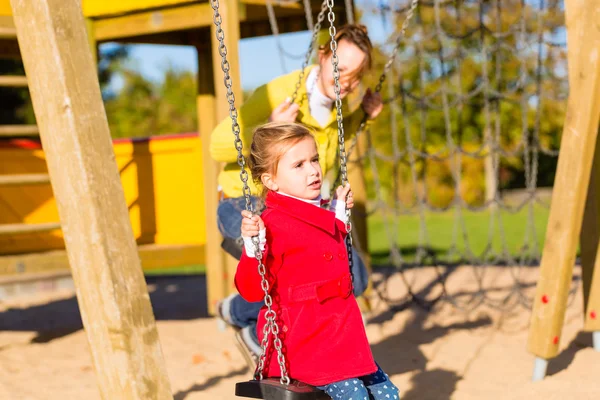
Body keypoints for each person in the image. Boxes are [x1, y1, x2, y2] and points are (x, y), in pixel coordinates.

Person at [210, 24, 383, 365]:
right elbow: (217, 145)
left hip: (290, 211)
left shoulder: (336, 114)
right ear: (323, 56)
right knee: (291, 267)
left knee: (354, 277)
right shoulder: (280, 93)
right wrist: (266, 129)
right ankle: (253, 330)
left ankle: (237, 309)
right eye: (339, 68)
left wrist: (364, 115)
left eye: (354, 74)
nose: (344, 81)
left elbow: (333, 151)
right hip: (240, 203)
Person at [236, 122, 398, 400]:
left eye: (314, 159)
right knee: (354, 396)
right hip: (307, 340)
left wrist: (338, 214)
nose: (313, 170)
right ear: (271, 181)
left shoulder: (317, 210)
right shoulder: (270, 225)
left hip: (341, 335)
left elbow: (322, 248)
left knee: (386, 393)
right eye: (298, 165)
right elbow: (252, 289)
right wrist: (253, 249)